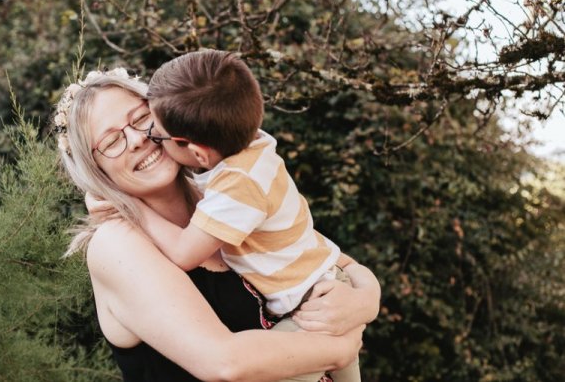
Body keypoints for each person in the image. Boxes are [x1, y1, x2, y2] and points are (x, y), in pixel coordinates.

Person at [53, 68, 380, 382]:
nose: (138, 139)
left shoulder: (223, 196)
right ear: (95, 172)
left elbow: (336, 262)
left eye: (141, 119)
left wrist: (364, 301)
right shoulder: (116, 243)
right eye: (111, 142)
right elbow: (223, 362)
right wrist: (340, 348)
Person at [141, 50, 372, 381]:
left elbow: (182, 252)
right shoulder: (249, 147)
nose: (148, 138)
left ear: (195, 151)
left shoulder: (238, 186)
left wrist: (127, 208)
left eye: (155, 133)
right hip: (323, 284)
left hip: (314, 306)